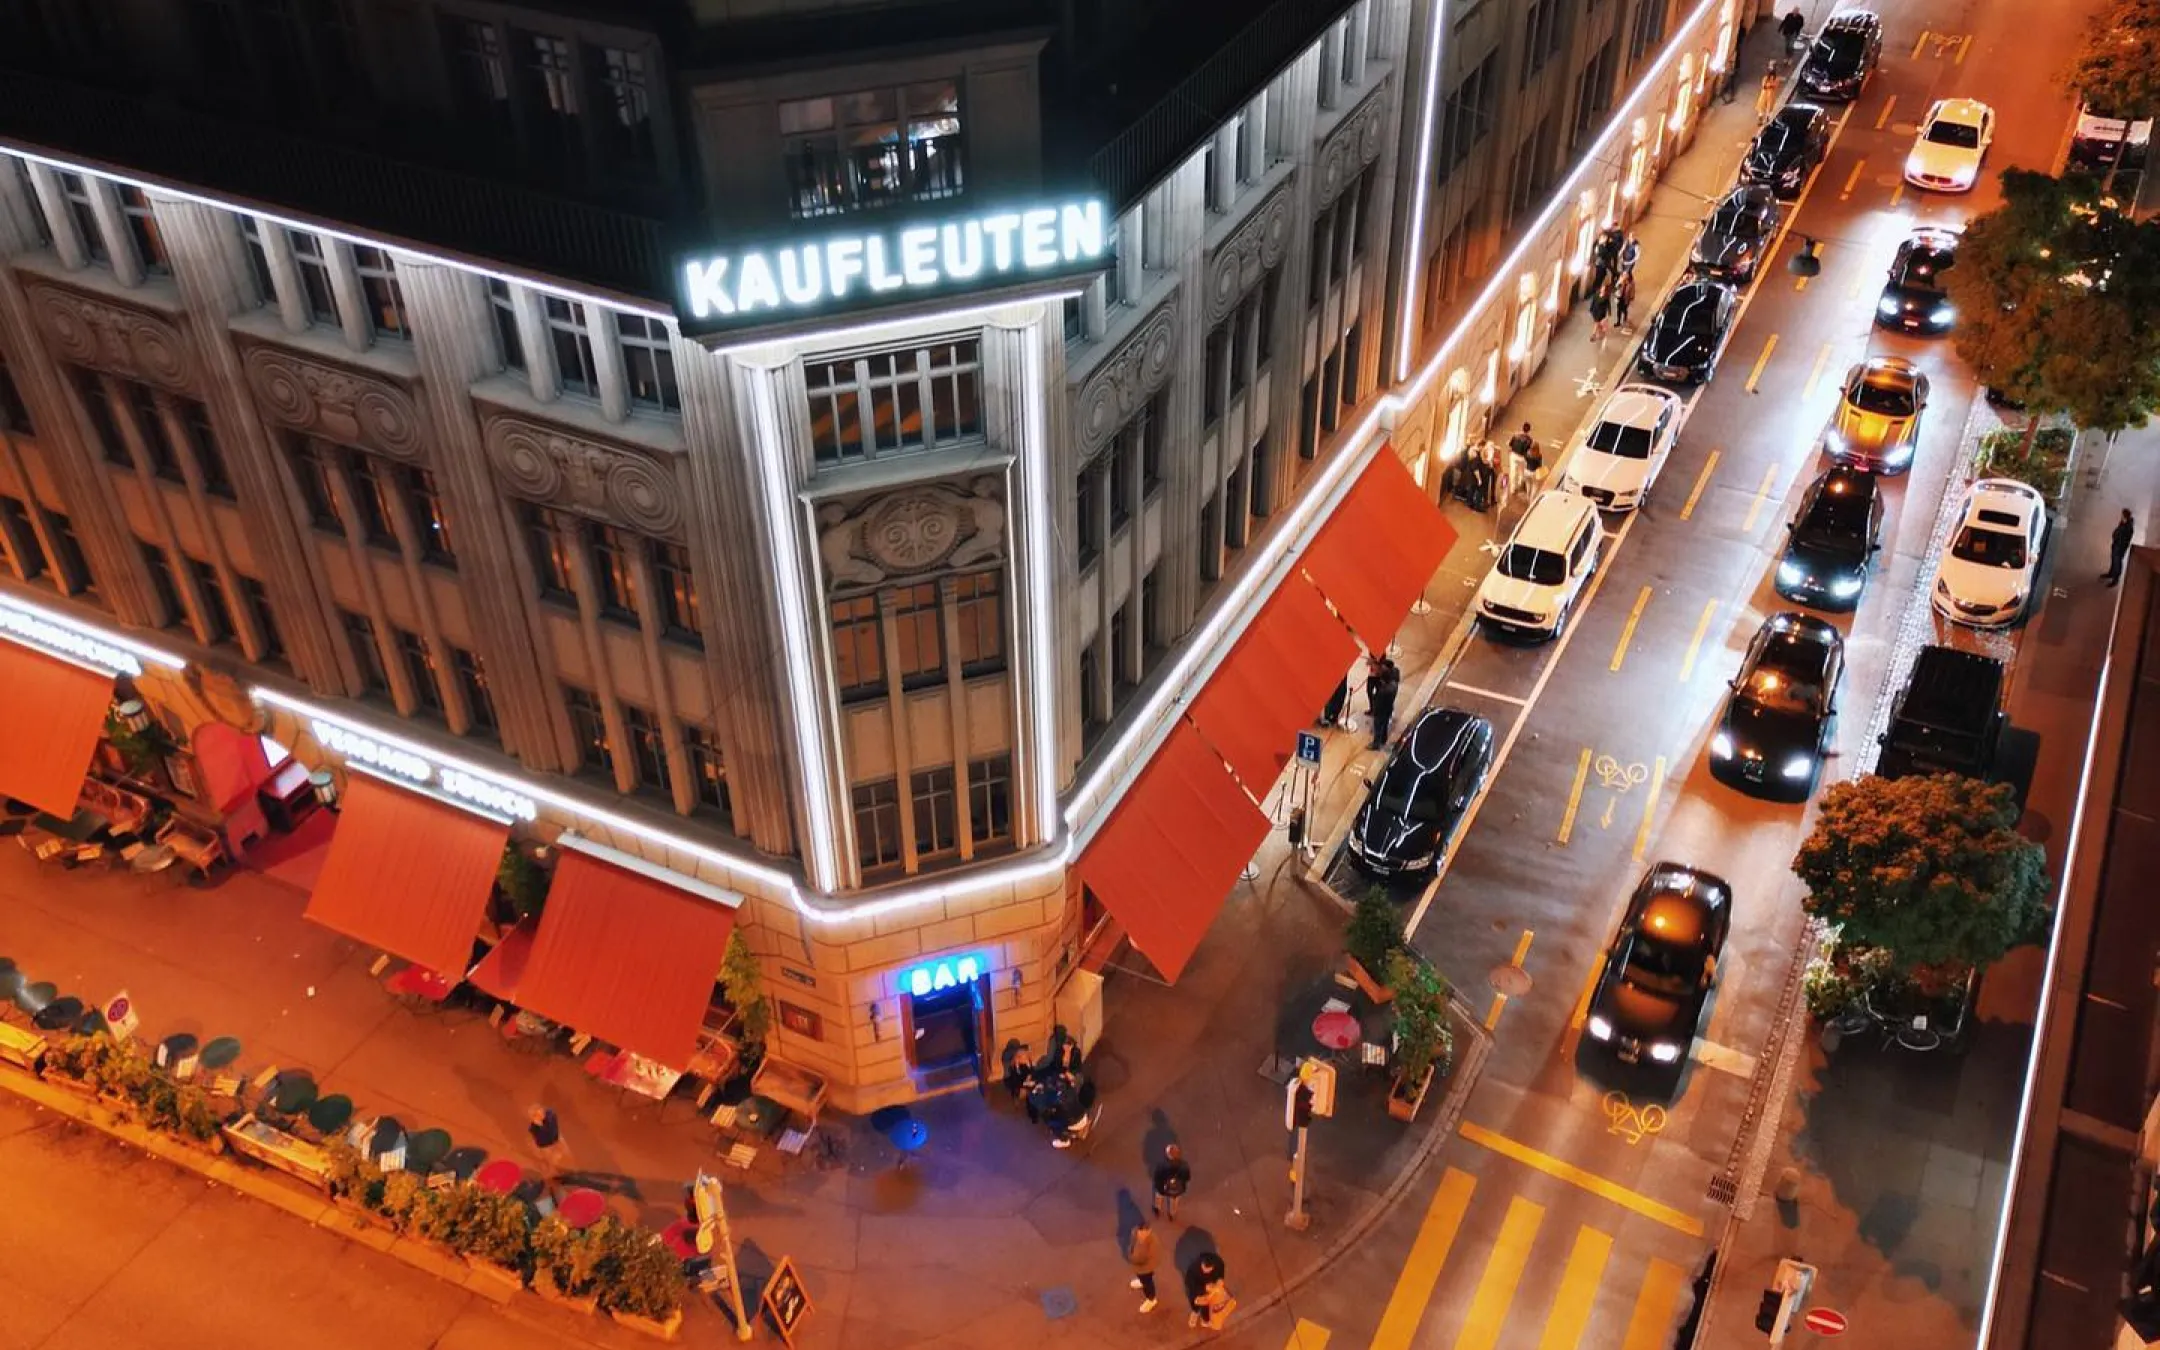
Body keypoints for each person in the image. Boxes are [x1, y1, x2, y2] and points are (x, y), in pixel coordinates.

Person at [527, 1105, 571, 1201]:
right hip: (546, 1146)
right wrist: (539, 1126)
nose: (539, 1116)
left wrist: (542, 1125)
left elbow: (552, 1129)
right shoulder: (533, 1127)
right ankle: (553, 1173)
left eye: (540, 1113)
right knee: (551, 1161)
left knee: (562, 1154)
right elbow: (539, 1138)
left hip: (555, 1139)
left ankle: (553, 1170)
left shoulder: (551, 1115)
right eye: (535, 1115)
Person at [1184, 1252, 1227, 1329]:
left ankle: (1205, 1320)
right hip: (1198, 1287)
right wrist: (1204, 1288)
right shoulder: (1192, 1270)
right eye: (1204, 1268)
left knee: (1209, 1302)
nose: (1205, 1271)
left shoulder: (1218, 1263)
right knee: (1196, 1300)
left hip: (1211, 1287)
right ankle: (1195, 1312)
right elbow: (1191, 1286)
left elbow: (1220, 1273)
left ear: (1212, 1267)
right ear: (1202, 1263)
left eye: (1208, 1269)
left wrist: (1220, 1280)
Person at [1366, 656, 1400, 751]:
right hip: (1389, 709)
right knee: (1384, 724)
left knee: (1378, 726)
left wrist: (1375, 711)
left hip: (1381, 711)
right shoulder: (1394, 679)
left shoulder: (1383, 691)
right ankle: (1383, 739)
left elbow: (1378, 702)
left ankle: (1376, 744)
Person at [1127, 1218, 1160, 1313]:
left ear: (1149, 1231)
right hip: (1137, 1265)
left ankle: (1151, 1299)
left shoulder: (1153, 1242)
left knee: (1148, 1281)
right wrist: (1130, 1254)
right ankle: (1142, 1282)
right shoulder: (1135, 1233)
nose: (1141, 1235)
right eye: (1140, 1231)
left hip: (1146, 1267)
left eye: (1144, 1232)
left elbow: (1147, 1258)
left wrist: (1133, 1259)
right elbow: (1131, 1245)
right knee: (1141, 1276)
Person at [1153, 1143, 1191, 1219]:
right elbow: (1187, 1178)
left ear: (1167, 1154)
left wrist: (1159, 1185)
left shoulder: (1161, 1165)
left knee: (1159, 1198)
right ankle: (1172, 1215)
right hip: (1177, 1189)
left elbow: (1157, 1177)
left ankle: (1157, 1209)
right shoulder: (1184, 1165)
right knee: (1174, 1202)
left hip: (1162, 1188)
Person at [2106, 509, 2138, 585]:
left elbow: (2125, 539)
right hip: (2116, 545)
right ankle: (2111, 573)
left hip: (2120, 548)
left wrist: (2119, 545)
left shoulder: (2128, 527)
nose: (2121, 516)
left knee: (2117, 562)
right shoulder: (2123, 523)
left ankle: (2115, 579)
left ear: (2125, 516)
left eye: (2122, 515)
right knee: (2113, 559)